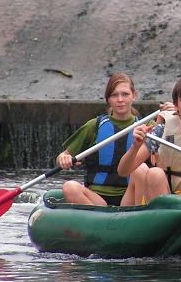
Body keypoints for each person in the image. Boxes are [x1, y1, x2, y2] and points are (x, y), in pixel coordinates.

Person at [56, 72, 172, 206]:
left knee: (142, 169)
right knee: (69, 187)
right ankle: (98, 219)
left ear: (134, 96)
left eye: (125, 94)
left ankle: (137, 216)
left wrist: (171, 113)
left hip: (130, 195)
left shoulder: (147, 127)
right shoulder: (94, 126)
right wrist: (63, 158)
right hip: (97, 198)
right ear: (108, 99)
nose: (120, 99)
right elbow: (63, 156)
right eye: (114, 95)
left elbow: (165, 130)